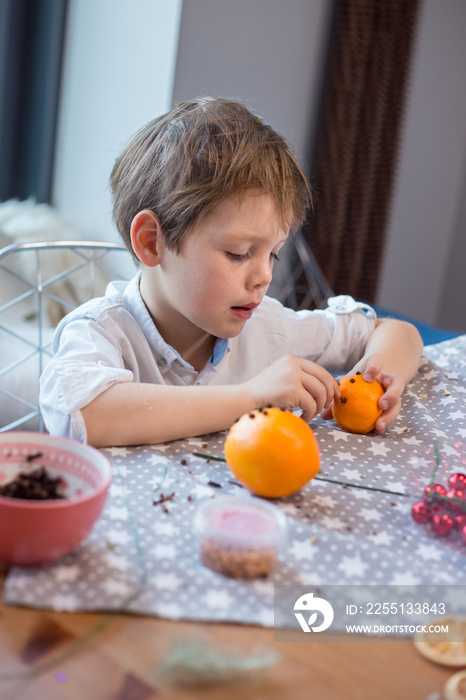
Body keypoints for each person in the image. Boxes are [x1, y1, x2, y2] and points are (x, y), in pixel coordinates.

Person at [39, 97, 423, 447]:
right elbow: (84, 415)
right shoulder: (102, 333)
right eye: (238, 253)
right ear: (153, 241)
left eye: (272, 254)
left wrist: (382, 378)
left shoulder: (267, 327)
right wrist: (252, 396)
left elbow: (394, 331)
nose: (263, 277)